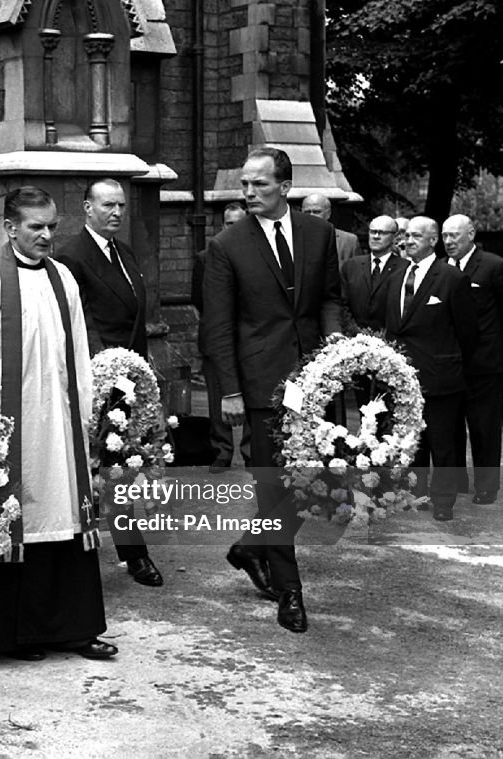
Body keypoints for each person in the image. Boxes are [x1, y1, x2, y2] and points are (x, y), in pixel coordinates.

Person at [0, 186, 116, 662]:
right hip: (2, 430)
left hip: (56, 426)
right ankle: (8, 634)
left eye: (52, 226)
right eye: (37, 226)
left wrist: (85, 414)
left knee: (61, 516)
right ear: (10, 228)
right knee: (6, 517)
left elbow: (77, 351)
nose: (47, 236)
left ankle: (68, 629)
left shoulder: (64, 280)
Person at [203, 148, 344, 634]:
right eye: (245, 184)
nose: (248, 193)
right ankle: (290, 591)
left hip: (312, 380)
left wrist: (332, 349)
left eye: (259, 185)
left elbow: (328, 297)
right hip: (260, 385)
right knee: (273, 486)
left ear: (285, 186)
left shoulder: (319, 233)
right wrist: (230, 391)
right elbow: (218, 326)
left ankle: (250, 546)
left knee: (322, 480)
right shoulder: (228, 245)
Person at [53, 177, 163, 588]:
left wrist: (141, 369)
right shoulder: (71, 257)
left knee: (122, 467)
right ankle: (100, 556)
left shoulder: (124, 251)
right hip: (95, 380)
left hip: (129, 378)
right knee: (95, 469)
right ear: (86, 208)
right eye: (107, 206)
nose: (116, 213)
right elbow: (81, 324)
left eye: (121, 206)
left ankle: (132, 552)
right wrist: (105, 373)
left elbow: (135, 317)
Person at [385, 216, 477, 522]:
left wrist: (451, 363)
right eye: (405, 235)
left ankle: (443, 501)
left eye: (415, 236)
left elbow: (468, 331)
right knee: (414, 441)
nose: (407, 240)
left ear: (433, 240)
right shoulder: (397, 275)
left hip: (441, 376)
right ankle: (417, 494)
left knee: (443, 442)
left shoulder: (451, 278)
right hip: (403, 375)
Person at [442, 214, 503, 505]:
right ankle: (458, 480)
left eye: (454, 236)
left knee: (484, 428)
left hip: (485, 364)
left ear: (470, 235)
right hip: (451, 363)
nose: (449, 242)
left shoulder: (494, 266)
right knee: (452, 425)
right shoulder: (442, 268)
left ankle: (487, 486)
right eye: (445, 236)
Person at [192, 202, 252, 474]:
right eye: (230, 223)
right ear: (222, 225)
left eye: (240, 222)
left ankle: (251, 451)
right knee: (218, 397)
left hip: (250, 339)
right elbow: (199, 299)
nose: (235, 228)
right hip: (216, 338)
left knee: (252, 396)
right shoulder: (206, 257)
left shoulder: (256, 254)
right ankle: (222, 451)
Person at [340, 215, 407, 332]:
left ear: (395, 237)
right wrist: (355, 333)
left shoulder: (405, 268)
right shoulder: (351, 266)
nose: (376, 236)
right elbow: (342, 303)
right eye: (372, 232)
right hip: (353, 339)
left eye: (382, 233)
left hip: (391, 340)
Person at [300, 193, 362, 263]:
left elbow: (357, 271)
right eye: (307, 212)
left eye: (316, 212)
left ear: (328, 214)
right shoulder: (293, 237)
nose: (311, 216)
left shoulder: (349, 241)